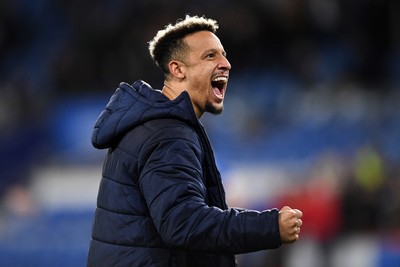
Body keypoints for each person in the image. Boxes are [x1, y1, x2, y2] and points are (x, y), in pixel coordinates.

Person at [87, 15, 303, 267]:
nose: (226, 64)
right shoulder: (167, 133)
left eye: (223, 54)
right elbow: (182, 222)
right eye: (210, 56)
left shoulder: (149, 125)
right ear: (177, 69)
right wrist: (270, 227)